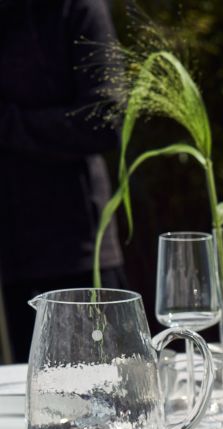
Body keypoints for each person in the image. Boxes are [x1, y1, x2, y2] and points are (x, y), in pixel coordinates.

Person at [0, 0, 125, 364]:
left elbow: (106, 121)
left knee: (109, 395)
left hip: (79, 250)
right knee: (38, 407)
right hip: (13, 255)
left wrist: (8, 126)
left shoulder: (79, 8)